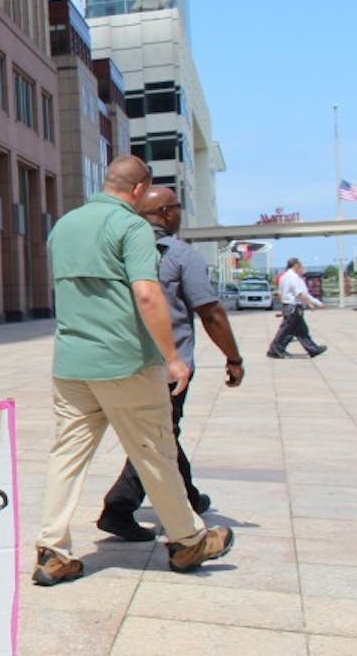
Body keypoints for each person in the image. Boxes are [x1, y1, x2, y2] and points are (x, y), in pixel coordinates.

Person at [33, 155, 233, 586]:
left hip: (71, 363)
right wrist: (172, 357)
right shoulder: (133, 227)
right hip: (124, 361)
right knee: (155, 449)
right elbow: (146, 295)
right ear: (140, 189)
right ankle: (186, 540)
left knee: (66, 456)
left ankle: (52, 549)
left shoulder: (63, 226)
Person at [95, 186, 244, 542]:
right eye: (177, 208)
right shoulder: (180, 255)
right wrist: (233, 358)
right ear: (165, 213)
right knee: (158, 436)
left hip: (121, 362)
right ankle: (118, 508)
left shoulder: (115, 251)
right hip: (167, 367)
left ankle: (189, 495)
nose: (180, 214)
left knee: (164, 431)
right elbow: (211, 312)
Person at [267, 257, 327, 358]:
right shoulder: (293, 278)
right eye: (300, 266)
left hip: (289, 306)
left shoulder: (284, 277)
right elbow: (299, 294)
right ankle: (275, 350)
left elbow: (281, 293)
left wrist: (317, 303)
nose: (302, 269)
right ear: (295, 266)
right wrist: (309, 304)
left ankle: (313, 349)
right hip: (293, 307)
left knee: (301, 331)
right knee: (286, 331)